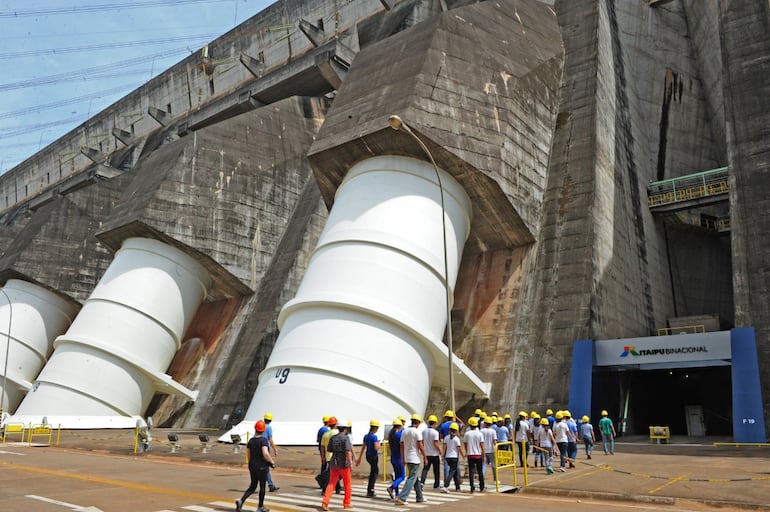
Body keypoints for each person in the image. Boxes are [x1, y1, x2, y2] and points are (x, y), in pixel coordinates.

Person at [236, 419, 275, 512]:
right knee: (262, 487)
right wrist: (272, 462)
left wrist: (251, 463)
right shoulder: (263, 440)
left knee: (253, 486)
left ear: (255, 429)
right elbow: (265, 453)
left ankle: (241, 500)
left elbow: (248, 455)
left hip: (252, 466)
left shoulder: (251, 441)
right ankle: (260, 507)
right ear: (263, 430)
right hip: (262, 467)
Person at [321, 420, 353, 511]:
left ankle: (325, 502)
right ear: (345, 428)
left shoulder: (333, 438)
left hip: (334, 462)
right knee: (347, 483)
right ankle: (346, 502)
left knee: (331, 483)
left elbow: (329, 449)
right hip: (344, 463)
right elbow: (347, 451)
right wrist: (350, 463)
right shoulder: (345, 438)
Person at [395, 414, 426, 505]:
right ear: (418, 423)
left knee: (415, 478)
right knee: (412, 478)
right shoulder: (417, 432)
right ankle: (402, 497)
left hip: (408, 458)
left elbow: (401, 445)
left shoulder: (404, 431)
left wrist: (403, 458)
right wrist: (425, 456)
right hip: (415, 458)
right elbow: (420, 446)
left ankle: (420, 497)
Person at [356, 419, 381, 497]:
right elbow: (376, 448)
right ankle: (371, 489)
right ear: (376, 428)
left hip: (368, 455)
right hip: (373, 456)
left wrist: (359, 458)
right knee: (374, 473)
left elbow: (363, 447)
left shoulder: (366, 436)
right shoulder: (374, 437)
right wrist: (379, 443)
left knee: (373, 472)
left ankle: (370, 489)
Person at [440, 422, 464, 492]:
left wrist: (442, 456)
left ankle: (458, 487)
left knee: (455, 472)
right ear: (456, 431)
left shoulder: (446, 438)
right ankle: (446, 485)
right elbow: (459, 449)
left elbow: (444, 448)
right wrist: (463, 456)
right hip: (454, 457)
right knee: (452, 472)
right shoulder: (456, 439)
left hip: (448, 457)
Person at [318, 417, 340, 492]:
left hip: (328, 456)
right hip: (336, 456)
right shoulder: (338, 433)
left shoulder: (325, 434)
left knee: (334, 472)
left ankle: (337, 487)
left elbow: (322, 447)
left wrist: (323, 457)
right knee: (335, 472)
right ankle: (326, 486)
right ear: (336, 424)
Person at [420, 415, 442, 490]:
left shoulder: (424, 431)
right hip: (434, 454)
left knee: (425, 469)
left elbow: (422, 442)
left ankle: (422, 482)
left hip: (426, 453)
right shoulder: (435, 432)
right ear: (435, 423)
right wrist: (440, 451)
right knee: (436, 470)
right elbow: (435, 443)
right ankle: (436, 485)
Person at [464, 416, 485, 492]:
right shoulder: (480, 434)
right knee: (480, 471)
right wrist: (484, 454)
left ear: (470, 425)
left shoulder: (467, 434)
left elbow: (465, 445)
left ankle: (472, 487)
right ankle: (482, 486)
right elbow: (482, 445)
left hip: (470, 455)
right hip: (478, 455)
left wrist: (467, 452)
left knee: (471, 472)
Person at [386, 418, 405, 499]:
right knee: (402, 477)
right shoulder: (399, 435)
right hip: (399, 458)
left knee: (397, 476)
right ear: (400, 426)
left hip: (393, 457)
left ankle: (397, 494)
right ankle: (391, 488)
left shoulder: (391, 435)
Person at [263, 412, 279, 492]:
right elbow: (270, 439)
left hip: (258, 447)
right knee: (266, 467)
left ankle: (270, 484)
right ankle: (270, 485)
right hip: (266, 447)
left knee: (262, 466)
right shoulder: (269, 428)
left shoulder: (261, 426)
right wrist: (275, 449)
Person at [480, 416, 497, 482]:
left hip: (483, 450)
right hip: (491, 450)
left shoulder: (481, 431)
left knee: (483, 465)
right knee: (493, 465)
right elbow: (494, 441)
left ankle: (482, 480)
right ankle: (495, 479)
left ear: (485, 423)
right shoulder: (493, 431)